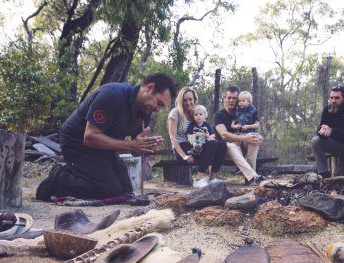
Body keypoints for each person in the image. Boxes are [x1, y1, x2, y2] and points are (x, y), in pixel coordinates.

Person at [36, 73, 178, 203]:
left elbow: (134, 149)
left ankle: (81, 174)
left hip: (105, 147)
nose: (158, 109)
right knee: (108, 189)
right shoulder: (111, 95)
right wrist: (130, 145)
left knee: (125, 190)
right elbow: (90, 136)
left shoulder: (145, 111)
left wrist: (144, 148)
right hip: (77, 142)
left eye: (162, 107)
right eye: (159, 103)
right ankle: (58, 178)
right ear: (149, 87)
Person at [167, 87, 227, 188]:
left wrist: (208, 136)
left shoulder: (197, 112)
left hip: (199, 144)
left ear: (194, 99)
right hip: (183, 147)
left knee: (221, 144)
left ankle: (212, 178)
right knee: (211, 145)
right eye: (185, 100)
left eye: (190, 99)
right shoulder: (176, 112)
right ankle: (198, 179)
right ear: (181, 100)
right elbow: (172, 137)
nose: (188, 102)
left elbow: (206, 129)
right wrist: (184, 156)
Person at [214, 86, 265, 185]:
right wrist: (244, 137)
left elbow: (254, 125)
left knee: (254, 139)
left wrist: (259, 137)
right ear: (225, 98)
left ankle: (250, 179)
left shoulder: (244, 112)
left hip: (242, 147)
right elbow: (224, 135)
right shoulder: (219, 115)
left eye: (234, 98)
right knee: (230, 145)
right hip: (225, 151)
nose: (231, 100)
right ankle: (254, 176)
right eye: (229, 98)